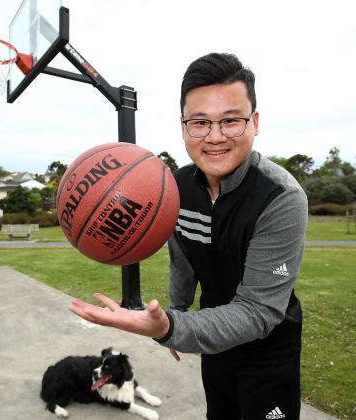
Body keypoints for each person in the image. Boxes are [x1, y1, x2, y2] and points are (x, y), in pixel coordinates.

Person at [69, 52, 308, 420]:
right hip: (213, 335)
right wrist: (178, 310)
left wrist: (174, 327)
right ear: (183, 126)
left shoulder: (281, 198)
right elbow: (183, 259)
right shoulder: (171, 187)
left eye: (231, 121)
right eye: (200, 122)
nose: (215, 137)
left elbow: (258, 311)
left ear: (255, 122)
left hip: (268, 344)